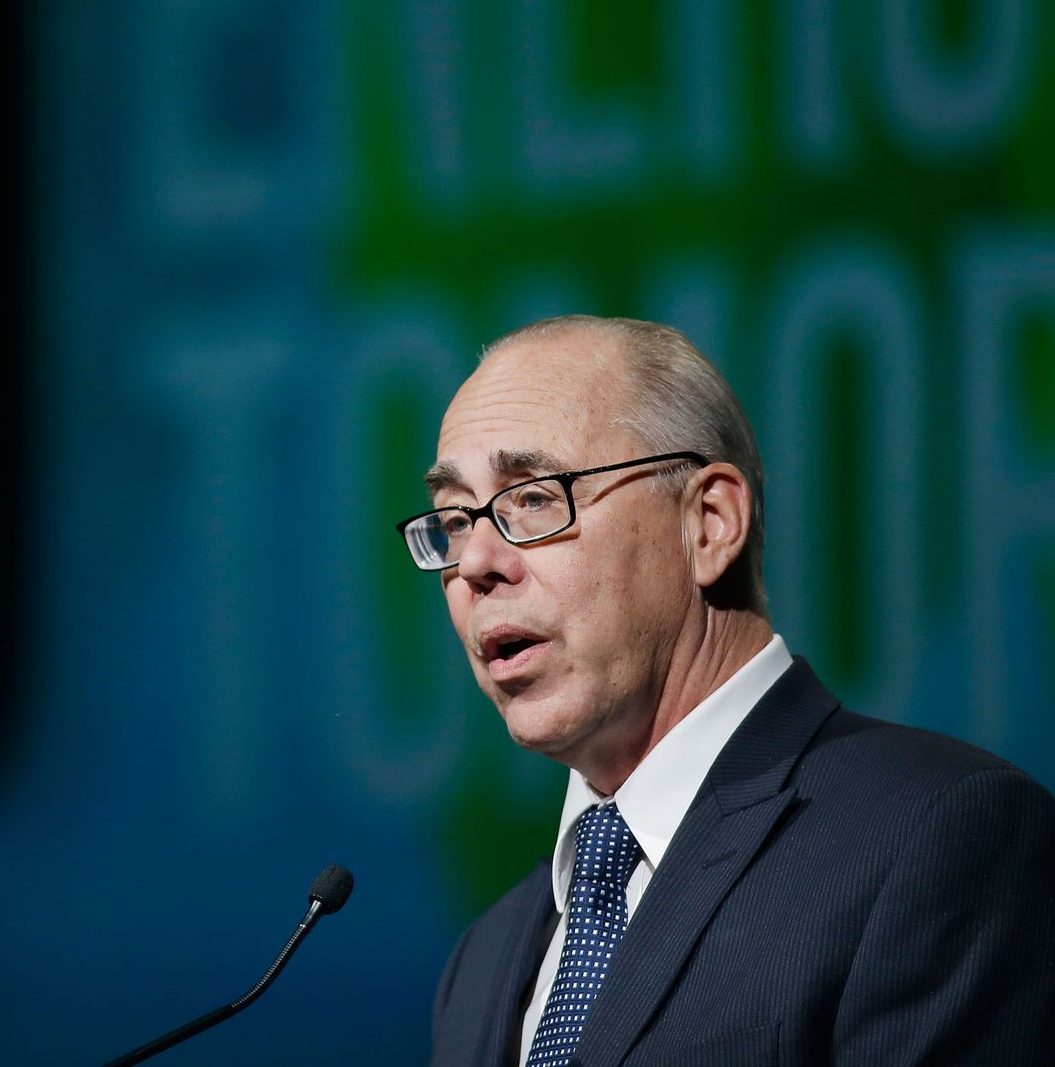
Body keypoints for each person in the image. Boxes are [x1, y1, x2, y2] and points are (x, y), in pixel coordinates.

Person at [411, 316, 1055, 1066]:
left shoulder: (937, 839)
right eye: (454, 519)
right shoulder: (485, 960)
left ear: (710, 523)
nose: (476, 562)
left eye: (533, 498)